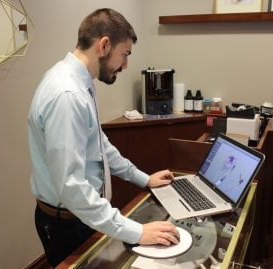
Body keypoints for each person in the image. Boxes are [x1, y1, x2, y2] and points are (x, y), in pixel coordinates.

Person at [28, 8, 179, 268]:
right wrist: (138, 232)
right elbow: (72, 187)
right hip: (67, 224)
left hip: (81, 217)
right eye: (125, 54)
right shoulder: (67, 95)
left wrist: (143, 179)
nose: (126, 65)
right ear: (104, 45)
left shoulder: (80, 82)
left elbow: (100, 146)